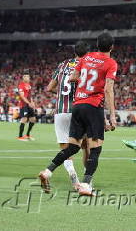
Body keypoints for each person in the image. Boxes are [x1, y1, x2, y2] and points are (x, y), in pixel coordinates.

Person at [38, 33, 118, 196]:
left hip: (77, 105)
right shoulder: (111, 63)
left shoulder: (86, 58)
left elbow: (73, 77)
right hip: (93, 106)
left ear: (96, 44)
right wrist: (112, 116)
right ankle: (86, 185)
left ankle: (47, 171)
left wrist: (85, 81)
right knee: (95, 149)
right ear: (112, 47)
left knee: (72, 147)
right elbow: (108, 90)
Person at [45, 41, 90, 190]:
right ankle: (87, 180)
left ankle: (74, 178)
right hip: (78, 110)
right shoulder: (87, 65)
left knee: (65, 148)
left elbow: (49, 88)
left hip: (61, 111)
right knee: (85, 146)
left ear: (75, 52)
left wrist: (60, 97)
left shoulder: (62, 65)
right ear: (87, 53)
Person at [17, 72, 36, 141]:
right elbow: (22, 96)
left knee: (33, 119)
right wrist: (29, 103)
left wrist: (32, 102)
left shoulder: (29, 85)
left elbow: (29, 95)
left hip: (29, 104)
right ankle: (20, 136)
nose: (26, 77)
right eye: (24, 76)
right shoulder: (21, 85)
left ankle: (27, 135)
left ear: (29, 78)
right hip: (24, 105)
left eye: (27, 76)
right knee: (24, 119)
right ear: (23, 77)